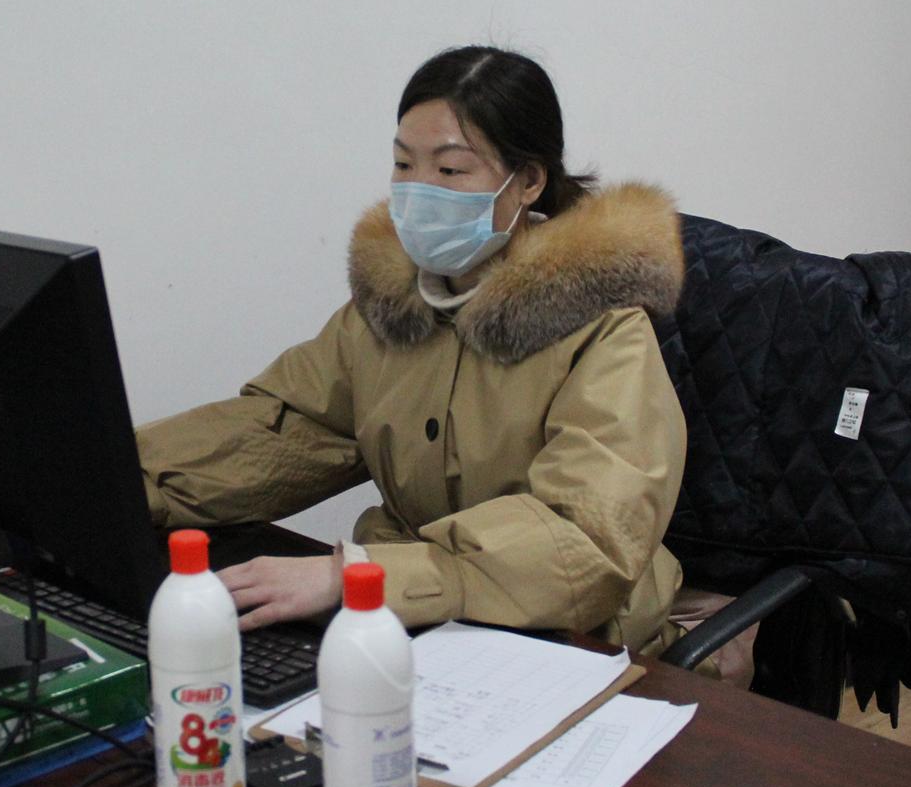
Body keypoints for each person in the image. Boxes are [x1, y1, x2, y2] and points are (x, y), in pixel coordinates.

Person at [135, 46, 690, 654]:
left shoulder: (603, 329)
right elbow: (288, 430)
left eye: (450, 171)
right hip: (415, 618)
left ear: (529, 181)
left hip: (579, 639)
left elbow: (584, 538)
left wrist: (354, 574)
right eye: (403, 164)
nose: (418, 191)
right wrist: (124, 481)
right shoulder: (392, 307)